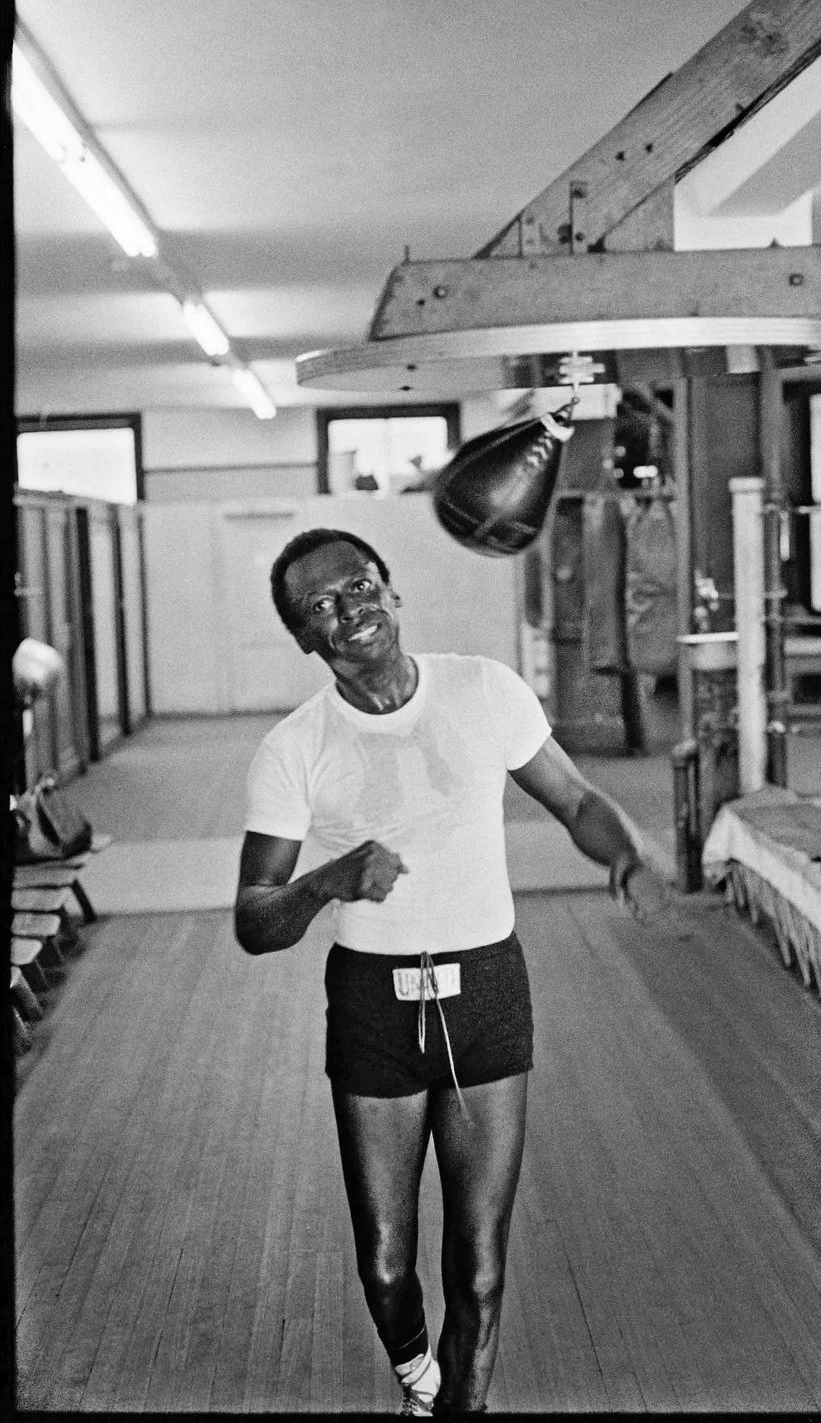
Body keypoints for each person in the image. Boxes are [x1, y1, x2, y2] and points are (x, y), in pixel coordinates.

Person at [234, 527, 675, 1416]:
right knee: (388, 1262)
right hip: (372, 1006)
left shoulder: (483, 688)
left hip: (486, 994)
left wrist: (622, 851)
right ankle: (417, 1377)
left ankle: (454, 1409)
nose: (350, 610)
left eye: (360, 586)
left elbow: (576, 799)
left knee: (478, 1268)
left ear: (391, 589)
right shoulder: (295, 747)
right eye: (321, 606)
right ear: (305, 639)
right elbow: (254, 918)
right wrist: (327, 879)